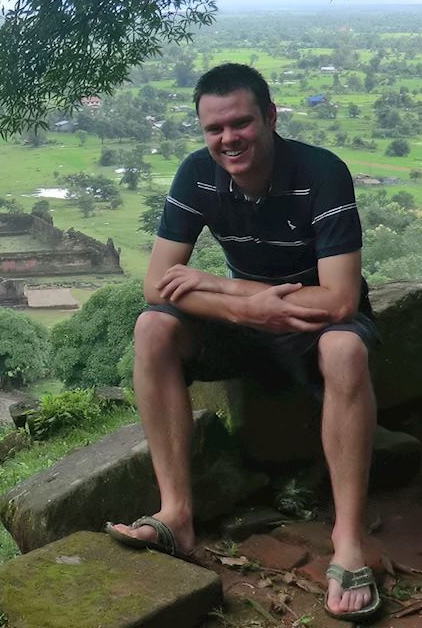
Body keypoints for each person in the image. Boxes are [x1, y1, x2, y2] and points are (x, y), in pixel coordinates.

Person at [102, 63, 382, 622]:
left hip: (313, 328)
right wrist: (244, 306)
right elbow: (156, 283)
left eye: (241, 123)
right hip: (247, 323)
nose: (228, 139)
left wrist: (226, 286)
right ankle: (176, 514)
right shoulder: (197, 175)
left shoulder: (321, 173)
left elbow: (339, 300)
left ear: (270, 117)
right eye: (214, 129)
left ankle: (349, 542)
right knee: (152, 326)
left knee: (345, 348)